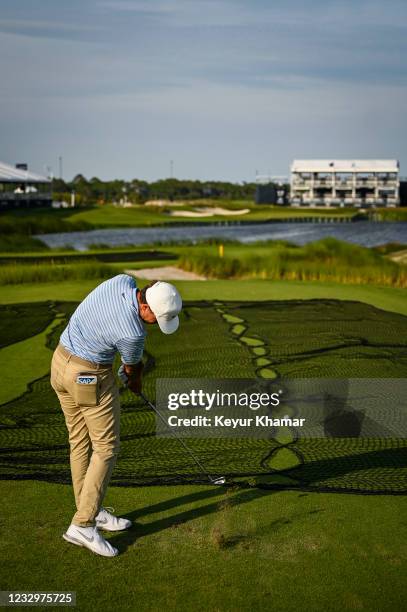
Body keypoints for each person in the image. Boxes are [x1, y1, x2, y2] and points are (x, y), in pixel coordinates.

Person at [50, 274, 182, 557]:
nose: (155, 326)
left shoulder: (121, 281)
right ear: (146, 308)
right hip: (87, 376)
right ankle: (83, 524)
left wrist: (125, 368)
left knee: (79, 441)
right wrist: (135, 380)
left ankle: (91, 511)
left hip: (60, 362)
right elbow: (132, 371)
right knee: (106, 447)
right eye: (156, 319)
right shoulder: (134, 333)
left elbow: (121, 355)